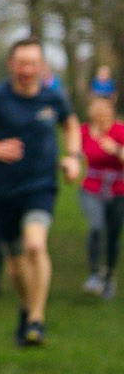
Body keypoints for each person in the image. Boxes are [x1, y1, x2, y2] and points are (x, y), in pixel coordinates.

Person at [0, 39, 79, 347]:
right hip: (5, 190)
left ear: (41, 66)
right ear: (11, 65)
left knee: (35, 246)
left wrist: (73, 157)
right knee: (15, 265)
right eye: (21, 63)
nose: (27, 69)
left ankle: (36, 319)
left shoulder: (53, 97)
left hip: (42, 185)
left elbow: (71, 124)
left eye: (33, 63)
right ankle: (28, 309)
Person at [76, 92, 124, 299]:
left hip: (118, 189)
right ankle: (94, 273)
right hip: (91, 188)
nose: (100, 112)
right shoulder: (83, 131)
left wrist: (117, 150)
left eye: (104, 108)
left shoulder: (120, 131)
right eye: (96, 108)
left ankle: (109, 275)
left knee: (113, 234)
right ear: (90, 111)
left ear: (111, 110)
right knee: (96, 227)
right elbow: (74, 154)